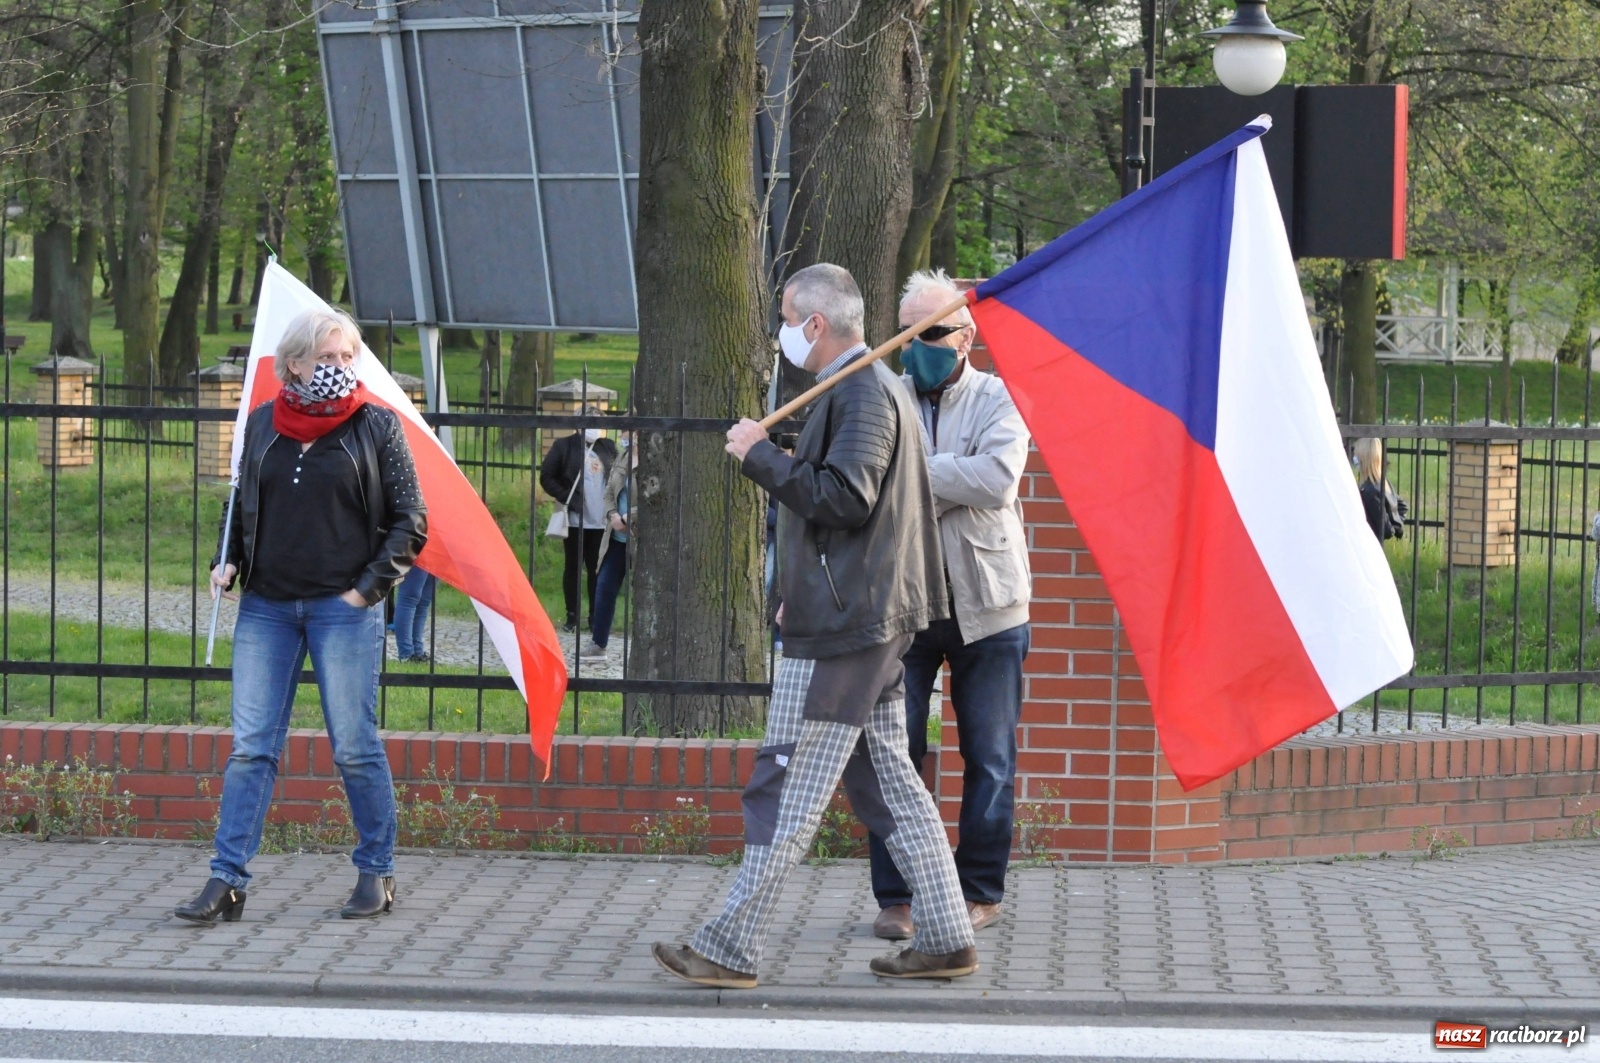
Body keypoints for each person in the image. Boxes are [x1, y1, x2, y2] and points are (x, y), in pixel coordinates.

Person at [651, 263, 977, 988]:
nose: (782, 332)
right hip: (855, 615)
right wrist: (799, 587)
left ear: (816, 325)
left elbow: (846, 497)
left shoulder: (863, 392)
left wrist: (761, 457)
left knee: (787, 780)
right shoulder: (868, 388)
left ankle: (731, 945)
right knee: (892, 782)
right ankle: (949, 936)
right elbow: (847, 515)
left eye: (787, 318)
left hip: (849, 629)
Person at [176, 307, 426, 926]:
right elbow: (242, 505)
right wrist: (226, 559)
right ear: (294, 363)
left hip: (343, 610)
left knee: (354, 748)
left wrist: (365, 592)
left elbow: (410, 521)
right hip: (266, 608)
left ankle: (376, 871)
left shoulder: (377, 426)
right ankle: (226, 880)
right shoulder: (262, 424)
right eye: (326, 359)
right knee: (251, 749)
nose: (339, 369)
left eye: (347, 358)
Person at [868, 270, 1033, 942]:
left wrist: (913, 473)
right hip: (902, 605)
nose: (916, 347)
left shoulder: (999, 398)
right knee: (894, 751)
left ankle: (979, 890)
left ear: (964, 338)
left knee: (989, 754)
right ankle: (899, 895)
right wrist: (941, 474)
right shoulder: (881, 398)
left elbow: (997, 480)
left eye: (929, 333)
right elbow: (866, 483)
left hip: (988, 606)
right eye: (905, 333)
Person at [539, 409, 617, 633]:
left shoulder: (608, 447)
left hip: (602, 522)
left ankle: (595, 616)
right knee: (573, 567)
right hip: (575, 520)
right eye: (593, 421)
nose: (597, 427)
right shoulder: (564, 446)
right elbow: (547, 476)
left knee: (597, 569)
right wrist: (568, 498)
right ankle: (572, 615)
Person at [581, 433, 636, 659]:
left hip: (640, 537)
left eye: (631, 430)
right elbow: (608, 492)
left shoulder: (656, 458)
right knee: (604, 587)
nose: (626, 436)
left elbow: (657, 499)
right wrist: (613, 515)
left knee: (643, 593)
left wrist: (627, 517)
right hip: (616, 538)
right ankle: (598, 643)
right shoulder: (623, 456)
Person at [1354, 437, 1406, 542]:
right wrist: (1396, 525)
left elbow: (1385, 529)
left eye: (1357, 455)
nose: (1354, 458)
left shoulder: (1370, 491)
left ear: (1364, 459)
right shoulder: (1383, 484)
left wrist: (1392, 528)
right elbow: (1401, 506)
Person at [392, 564, 438, 663]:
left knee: (423, 602)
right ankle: (406, 654)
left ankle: (418, 652)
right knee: (409, 599)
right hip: (420, 551)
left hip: (440, 552)